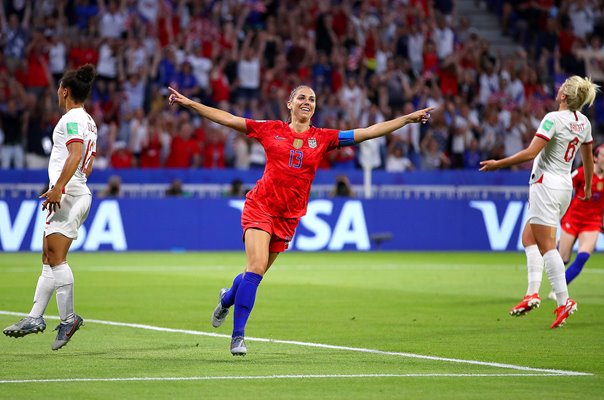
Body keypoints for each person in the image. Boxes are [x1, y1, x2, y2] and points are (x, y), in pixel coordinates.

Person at [168, 85, 433, 355]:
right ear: (290, 104)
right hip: (260, 207)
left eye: (313, 99)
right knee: (256, 267)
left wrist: (406, 119)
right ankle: (238, 337)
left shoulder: (324, 138)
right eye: (302, 97)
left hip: (288, 217)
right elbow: (227, 118)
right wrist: (190, 104)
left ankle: (226, 299)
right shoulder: (270, 129)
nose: (308, 102)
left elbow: (367, 132)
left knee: (253, 275)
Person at [480, 75, 600, 329]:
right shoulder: (584, 123)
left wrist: (497, 163)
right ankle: (531, 293)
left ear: (564, 96)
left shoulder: (552, 119)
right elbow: (588, 158)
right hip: (565, 186)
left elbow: (530, 153)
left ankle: (564, 300)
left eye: (561, 87)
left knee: (547, 247)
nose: (557, 89)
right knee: (529, 238)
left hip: (546, 185)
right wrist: (588, 186)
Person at [3, 64, 98, 350]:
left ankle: (68, 318)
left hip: (68, 193)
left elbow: (76, 154)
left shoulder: (70, 120)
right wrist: (63, 185)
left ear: (65, 91)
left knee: (57, 258)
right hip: (75, 191)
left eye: (59, 88)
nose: (57, 92)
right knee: (48, 257)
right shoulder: (89, 121)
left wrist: (59, 187)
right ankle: (34, 317)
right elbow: (88, 165)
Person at [552, 144, 604, 297]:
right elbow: (565, 187)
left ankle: (559, 290)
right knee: (563, 260)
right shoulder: (582, 173)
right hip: (573, 219)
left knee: (582, 258)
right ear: (595, 158)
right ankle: (557, 247)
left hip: (592, 223)